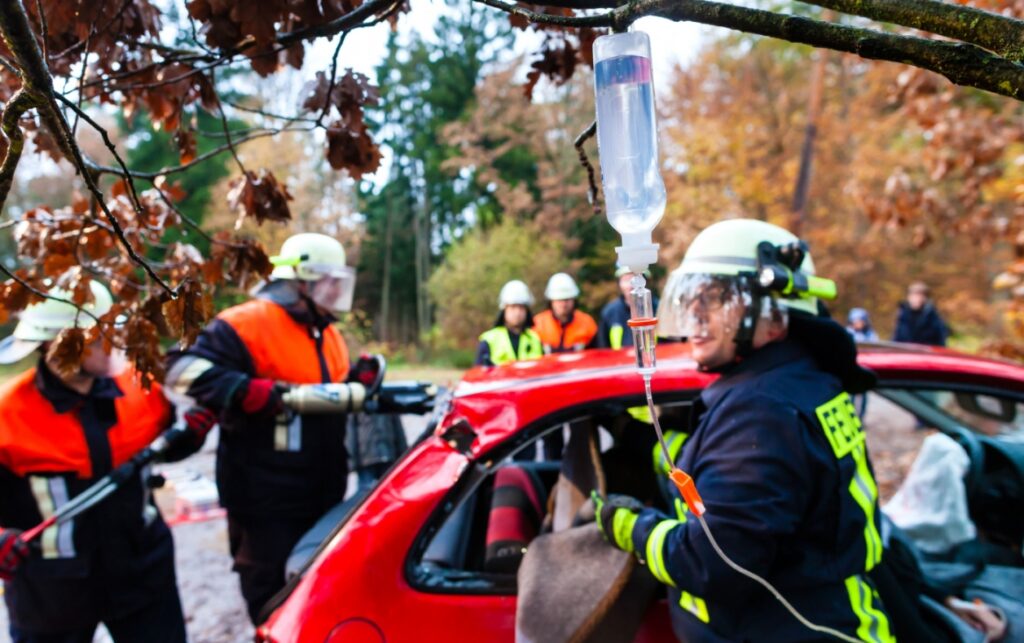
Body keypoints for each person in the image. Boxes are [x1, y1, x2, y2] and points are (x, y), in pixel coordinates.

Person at [593, 219, 894, 642]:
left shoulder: (764, 412)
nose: (695, 315)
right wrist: (639, 439)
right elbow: (720, 470)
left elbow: (709, 563)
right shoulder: (798, 384)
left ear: (775, 317)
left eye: (716, 299)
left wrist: (628, 526)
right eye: (692, 298)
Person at [0, 282, 215, 643]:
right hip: (52, 594)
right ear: (57, 342)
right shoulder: (9, 415)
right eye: (99, 336)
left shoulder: (138, 388)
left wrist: (192, 434)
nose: (113, 344)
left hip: (142, 577)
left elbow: (164, 448)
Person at [165, 232, 359, 624]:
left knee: (314, 593)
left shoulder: (329, 334)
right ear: (300, 281)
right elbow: (179, 369)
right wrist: (241, 390)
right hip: (263, 499)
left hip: (321, 491)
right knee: (271, 595)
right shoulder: (246, 323)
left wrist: (360, 383)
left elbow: (323, 393)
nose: (337, 289)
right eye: (328, 279)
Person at [475, 280, 543, 367]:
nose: (517, 312)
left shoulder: (535, 339)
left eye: (521, 307)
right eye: (513, 307)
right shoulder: (489, 340)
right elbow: (478, 373)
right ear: (504, 309)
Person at [532, 273, 598, 354]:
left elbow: (597, 354)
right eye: (559, 300)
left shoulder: (587, 323)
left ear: (574, 300)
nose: (563, 304)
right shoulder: (538, 324)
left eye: (566, 299)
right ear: (551, 301)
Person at [597, 265, 658, 350]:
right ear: (619, 283)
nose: (631, 285)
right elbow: (603, 348)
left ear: (645, 281)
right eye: (626, 280)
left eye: (635, 279)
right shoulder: (609, 312)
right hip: (620, 362)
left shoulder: (659, 308)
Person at [893, 282, 949, 346]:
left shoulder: (935, 319)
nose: (916, 299)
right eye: (913, 296)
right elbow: (896, 340)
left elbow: (941, 342)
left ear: (925, 298)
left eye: (919, 296)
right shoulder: (902, 317)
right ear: (908, 297)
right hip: (905, 354)